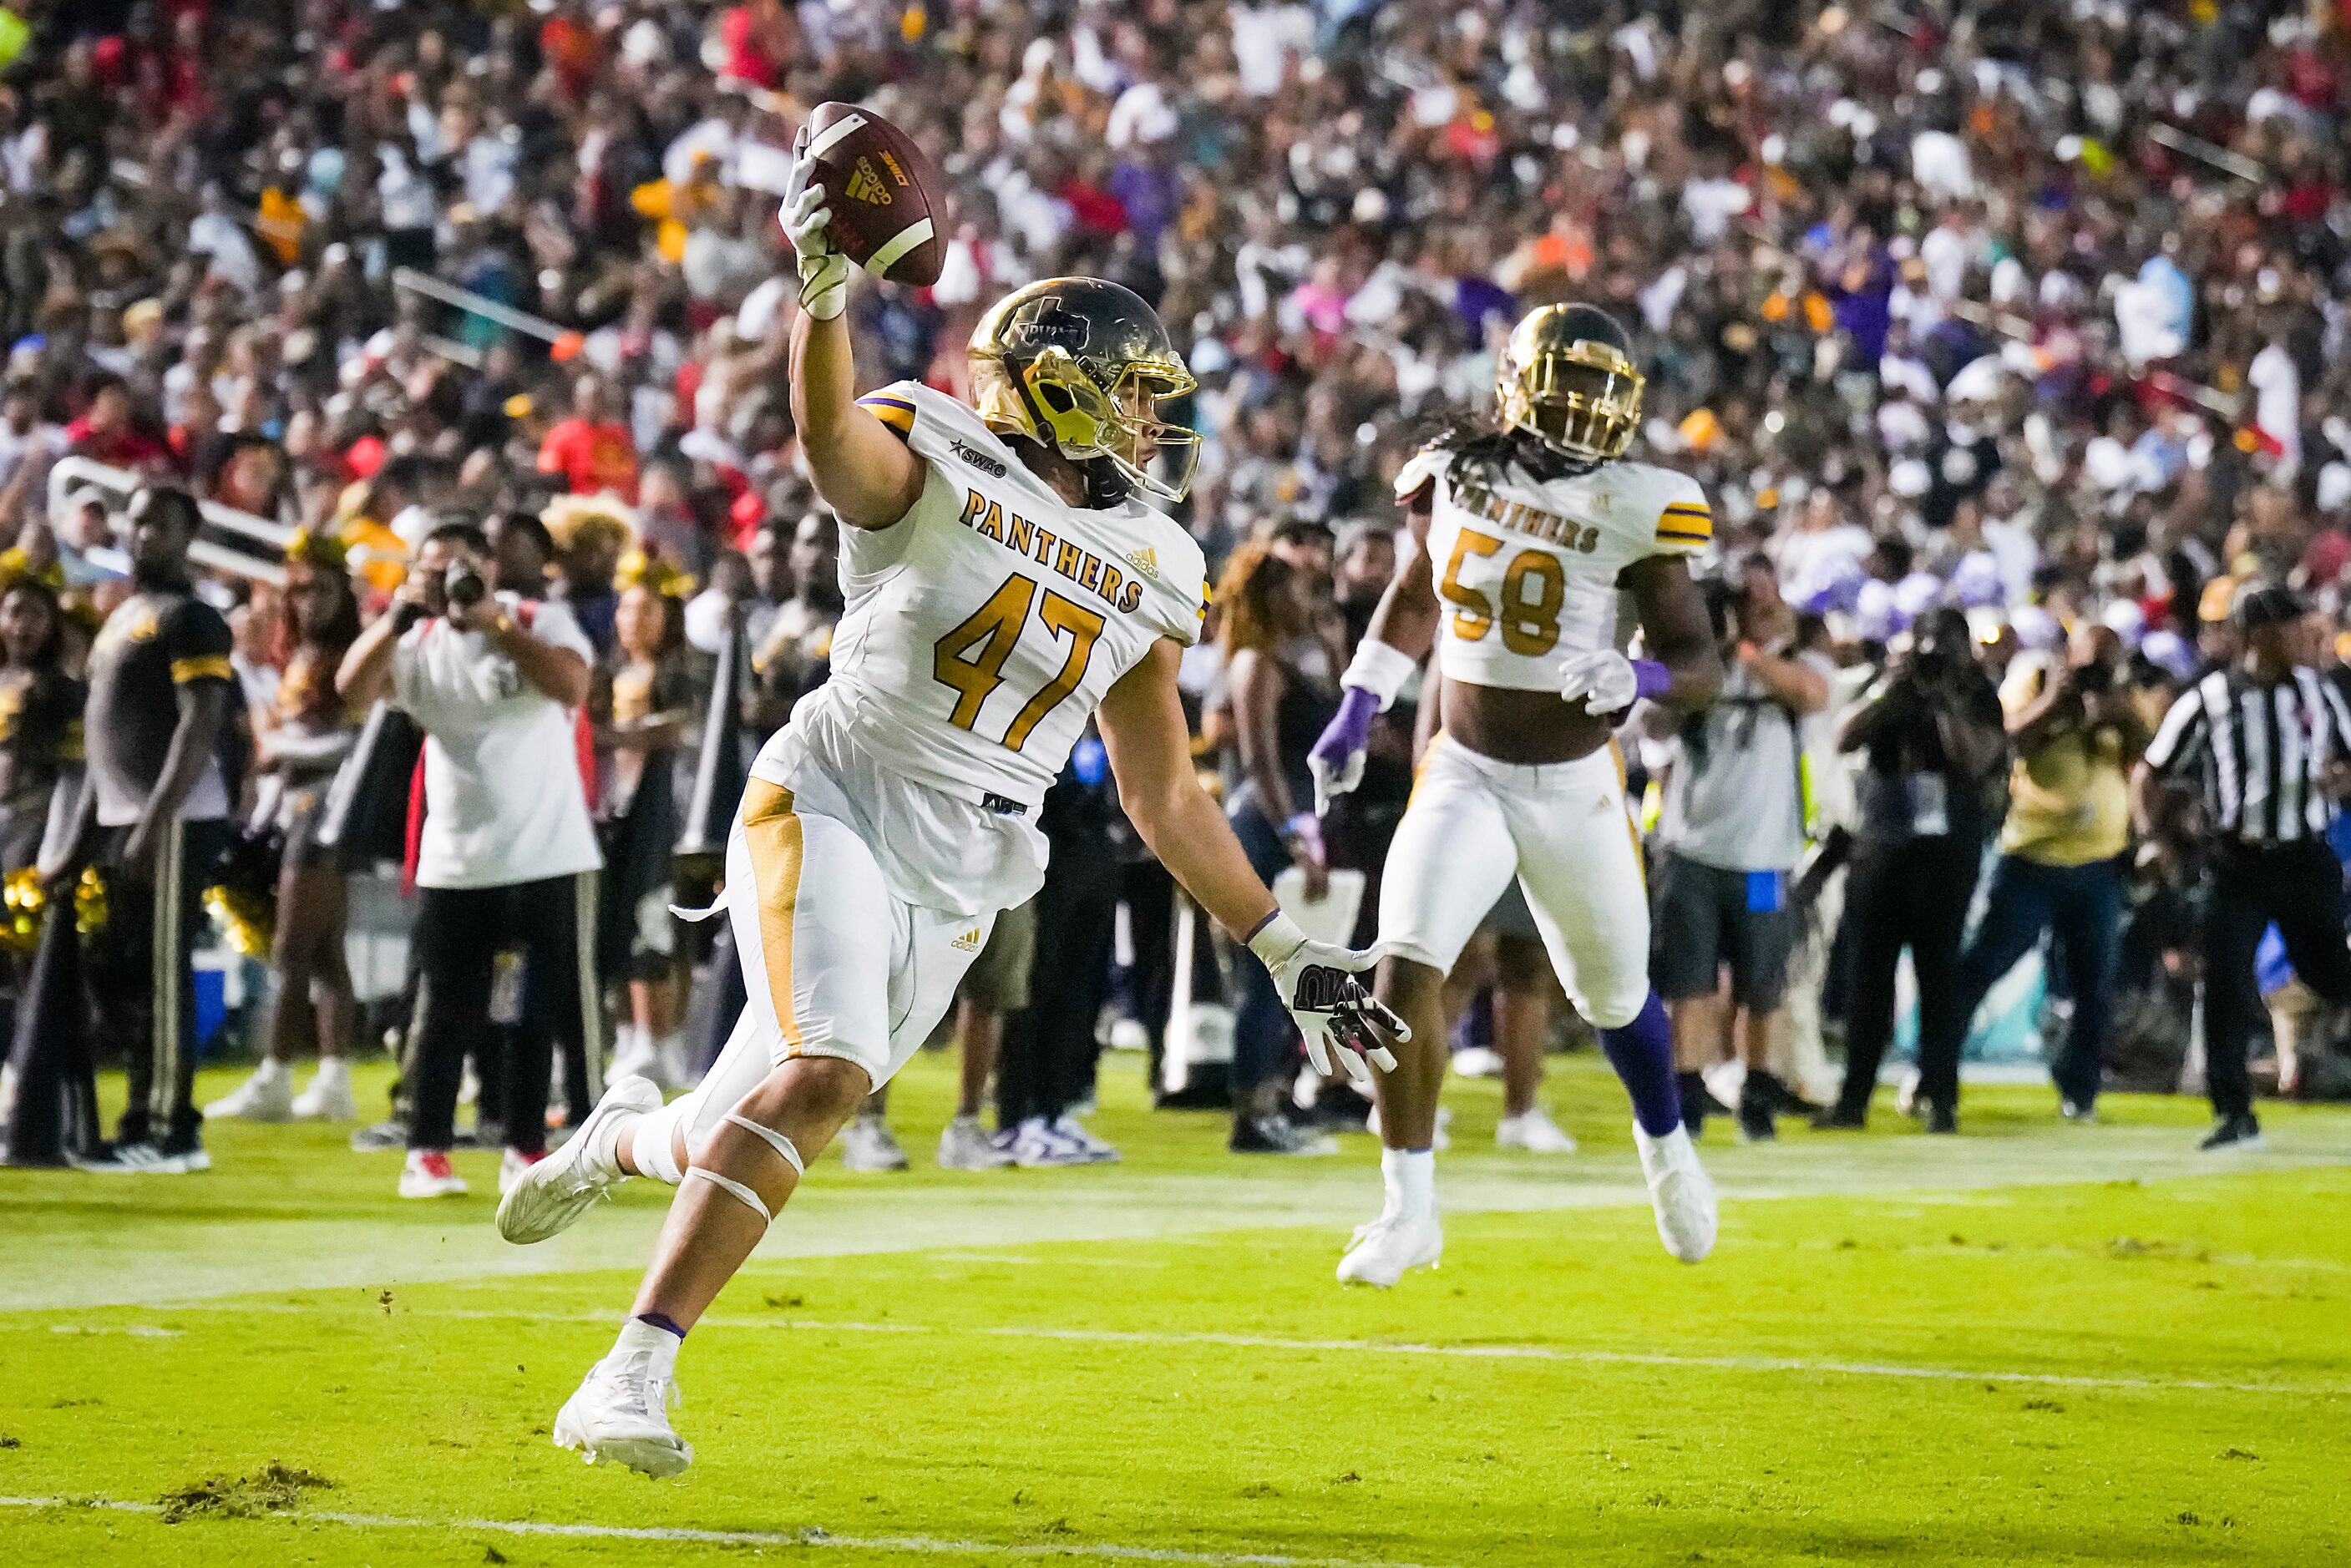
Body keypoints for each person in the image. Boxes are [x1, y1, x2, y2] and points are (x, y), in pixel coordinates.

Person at [494, 155, 1400, 1479]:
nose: (1154, 424)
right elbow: (828, 444)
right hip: (836, 794)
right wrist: (821, 298)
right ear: (1058, 385)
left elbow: (1162, 789)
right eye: (1134, 394)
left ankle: (619, 1133)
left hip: (974, 867)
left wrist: (1282, 947)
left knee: (761, 1104)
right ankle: (625, 1374)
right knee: (828, 1073)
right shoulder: (935, 444)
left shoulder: (1159, 560)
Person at [1310, 304, 1725, 1286]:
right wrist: (1358, 700)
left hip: (1575, 787)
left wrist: (1645, 681)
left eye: (1600, 388)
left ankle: (1665, 1146)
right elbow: (1416, 593)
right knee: (1404, 965)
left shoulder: (1641, 500)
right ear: (1517, 381)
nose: (1583, 406)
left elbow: (1700, 659)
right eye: (1567, 381)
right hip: (1466, 768)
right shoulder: (1456, 470)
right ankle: (1408, 1207)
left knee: (1614, 996)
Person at [337, 520, 602, 1199]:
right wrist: (398, 614)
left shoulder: (538, 618)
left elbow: (573, 688)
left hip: (545, 852)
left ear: (488, 569)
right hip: (455, 858)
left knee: (535, 1010)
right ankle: (425, 1151)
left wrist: (497, 626)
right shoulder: (416, 641)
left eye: (462, 568)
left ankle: (524, 1145)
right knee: (445, 1011)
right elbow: (351, 690)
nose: (452, 582)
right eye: (436, 569)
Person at [2136, 584, 2351, 1151]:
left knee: (2332, 972)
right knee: (2227, 981)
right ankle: (2233, 1111)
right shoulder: (2209, 698)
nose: (2304, 638)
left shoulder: (2320, 692)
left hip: (2305, 853)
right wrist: (2150, 837)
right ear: (2258, 633)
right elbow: (2150, 772)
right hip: (2237, 860)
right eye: (2290, 628)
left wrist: (2340, 781)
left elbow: (2348, 764)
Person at [60, 487, 236, 1173]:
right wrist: (77, 840)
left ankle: (170, 1130)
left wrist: (158, 816)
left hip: (172, 820)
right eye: (135, 521)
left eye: (157, 524)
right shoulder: (121, 615)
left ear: (188, 532)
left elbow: (200, 724)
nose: (142, 535)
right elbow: (98, 744)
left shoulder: (192, 619)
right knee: (129, 975)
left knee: (164, 974)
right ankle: (140, 1116)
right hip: (118, 819)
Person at [1915, 621, 2141, 1125]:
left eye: (2106, 663)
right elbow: (2007, 741)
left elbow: (2148, 751)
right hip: (2033, 859)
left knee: (2095, 987)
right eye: (2090, 662)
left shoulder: (2120, 699)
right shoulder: (2036, 678)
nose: (2096, 674)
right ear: (2068, 655)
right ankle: (1934, 1073)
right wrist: (2058, 704)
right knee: (1981, 970)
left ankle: (2079, 1090)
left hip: (2099, 862)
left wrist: (2118, 713)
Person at [1647, 564, 1832, 1142]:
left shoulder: (1798, 664)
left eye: (1775, 600)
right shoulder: (1698, 670)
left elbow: (1811, 695)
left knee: (1762, 983)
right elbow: (1652, 721)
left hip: (1764, 857)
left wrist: (1747, 653)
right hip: (1692, 852)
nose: (1772, 609)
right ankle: (1688, 1089)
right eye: (1756, 603)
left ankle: (1757, 1087)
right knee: (1690, 983)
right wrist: (1708, 657)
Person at [1816, 606, 2007, 1132]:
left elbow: (1974, 760)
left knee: (1938, 976)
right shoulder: (1891, 689)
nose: (1934, 658)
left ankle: (1941, 1099)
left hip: (1946, 855)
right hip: (1882, 847)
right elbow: (1845, 738)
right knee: (1867, 977)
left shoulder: (1977, 696)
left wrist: (1944, 701)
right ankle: (1853, 1099)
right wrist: (1896, 688)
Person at [203, 529, 363, 1122]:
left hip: (323, 809)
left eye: (320, 590)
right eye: (297, 592)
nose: (307, 604)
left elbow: (359, 741)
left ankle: (274, 1075)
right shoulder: (301, 655)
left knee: (292, 945)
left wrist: (282, 747)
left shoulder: (352, 655)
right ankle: (334, 1077)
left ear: (342, 593)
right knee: (323, 952)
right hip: (295, 804)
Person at [1216, 538, 1345, 1154]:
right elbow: (1261, 760)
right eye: (1295, 587)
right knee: (1268, 972)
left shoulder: (1298, 657)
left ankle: (1277, 1101)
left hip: (1297, 822)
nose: (1307, 597)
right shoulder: (1255, 663)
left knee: (1299, 974)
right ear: (1271, 595)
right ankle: (1252, 1112)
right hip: (1269, 825)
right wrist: (1296, 835)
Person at [597, 554, 697, 1090]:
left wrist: (609, 737)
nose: (633, 621)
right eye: (627, 610)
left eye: (646, 610)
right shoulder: (614, 672)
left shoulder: (678, 676)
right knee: (625, 924)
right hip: (621, 813)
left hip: (664, 814)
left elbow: (671, 731)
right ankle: (631, 1035)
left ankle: (661, 1039)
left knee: (655, 923)